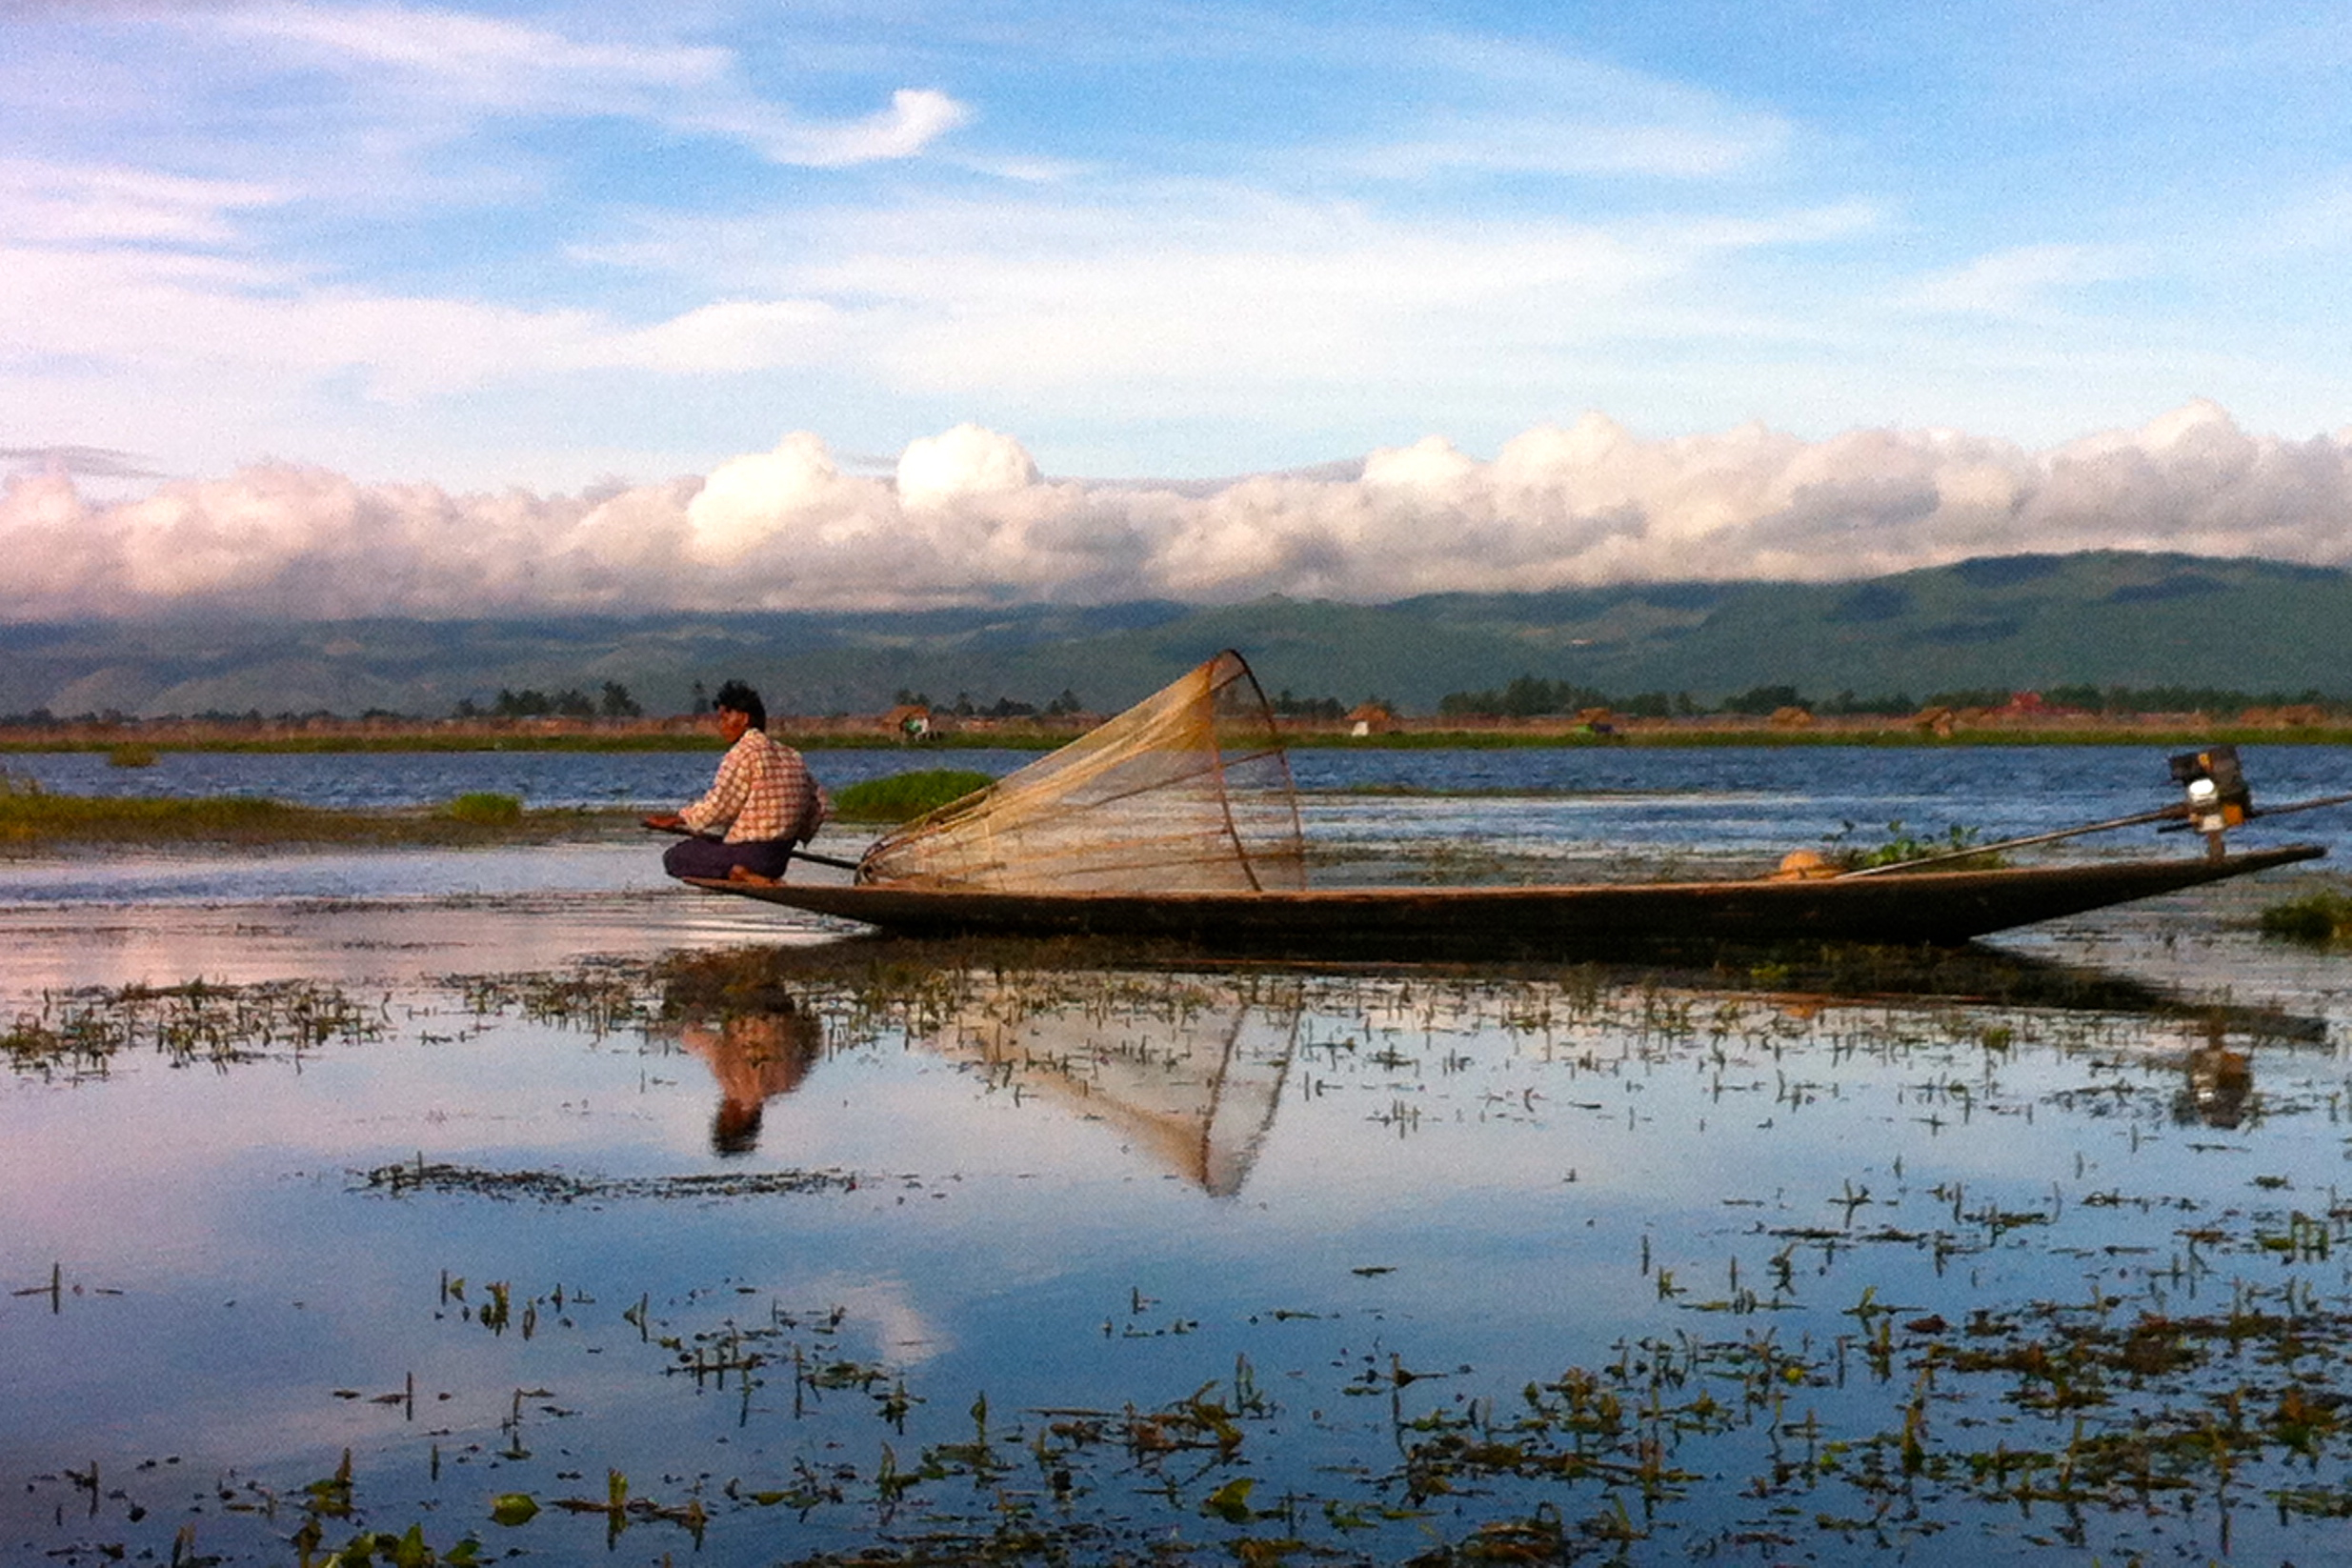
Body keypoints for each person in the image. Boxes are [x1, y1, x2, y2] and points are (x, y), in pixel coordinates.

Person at [642, 679, 828, 882]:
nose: (720, 726)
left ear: (743, 718)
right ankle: (756, 874)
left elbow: (720, 806)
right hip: (778, 858)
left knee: (676, 857)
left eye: (724, 718)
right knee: (708, 843)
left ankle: (740, 872)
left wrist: (680, 819)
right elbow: (817, 805)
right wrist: (793, 835)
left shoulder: (743, 753)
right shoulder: (791, 755)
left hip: (750, 855)